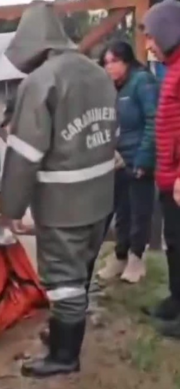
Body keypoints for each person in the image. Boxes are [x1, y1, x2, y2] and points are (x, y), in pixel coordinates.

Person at [0, 2, 118, 378]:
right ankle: (65, 336)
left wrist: (9, 208)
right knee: (80, 271)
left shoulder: (42, 81)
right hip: (100, 195)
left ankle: (65, 356)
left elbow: (24, 155)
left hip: (62, 203)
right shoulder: (97, 73)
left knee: (64, 281)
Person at [95, 41, 159, 284]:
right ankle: (120, 255)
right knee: (121, 210)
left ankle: (136, 258)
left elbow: (153, 120)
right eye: (106, 62)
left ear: (127, 61)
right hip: (118, 160)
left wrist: (144, 158)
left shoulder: (143, 82)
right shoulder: (113, 88)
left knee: (139, 210)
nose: (109, 67)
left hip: (138, 157)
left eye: (114, 61)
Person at [139, 0, 180, 333]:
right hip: (170, 179)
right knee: (175, 241)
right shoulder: (173, 67)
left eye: (151, 36)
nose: (148, 45)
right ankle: (176, 299)